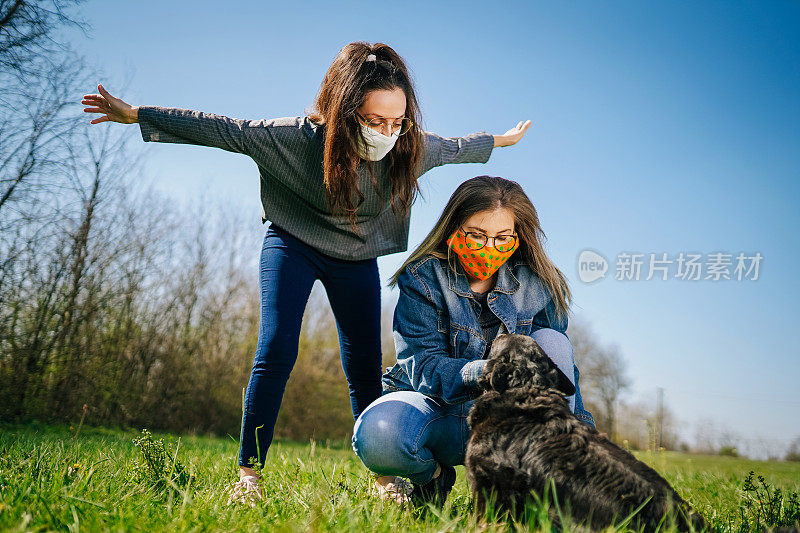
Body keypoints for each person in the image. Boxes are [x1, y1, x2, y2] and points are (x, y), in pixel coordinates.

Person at [80, 42, 532, 505]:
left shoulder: (407, 149)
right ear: (344, 109)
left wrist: (500, 140)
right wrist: (138, 115)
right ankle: (249, 476)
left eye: (397, 122)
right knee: (276, 346)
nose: (387, 132)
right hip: (292, 242)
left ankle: (384, 480)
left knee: (362, 364)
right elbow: (223, 129)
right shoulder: (294, 139)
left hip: (355, 255)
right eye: (375, 121)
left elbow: (457, 147)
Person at [351, 175, 596, 507]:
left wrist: (584, 437)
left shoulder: (539, 284)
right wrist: (491, 372)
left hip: (506, 424)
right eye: (477, 235)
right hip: (439, 412)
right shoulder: (423, 277)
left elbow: (564, 373)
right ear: (455, 228)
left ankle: (545, 481)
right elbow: (421, 366)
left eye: (502, 237)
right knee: (380, 435)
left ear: (518, 236)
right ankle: (433, 479)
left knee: (552, 340)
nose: (489, 247)